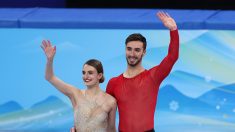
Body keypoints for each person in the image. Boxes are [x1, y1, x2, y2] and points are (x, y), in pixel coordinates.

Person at [106, 11, 179, 131]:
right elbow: (103, 113)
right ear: (125, 50)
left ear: (143, 52)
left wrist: (174, 30)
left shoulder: (153, 76)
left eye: (137, 50)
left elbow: (172, 57)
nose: (132, 54)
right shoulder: (113, 83)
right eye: (129, 49)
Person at [41, 40, 117, 132]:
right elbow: (50, 77)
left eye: (90, 73)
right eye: (83, 73)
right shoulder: (75, 93)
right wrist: (50, 60)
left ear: (99, 75)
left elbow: (111, 129)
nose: (86, 76)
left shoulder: (111, 101)